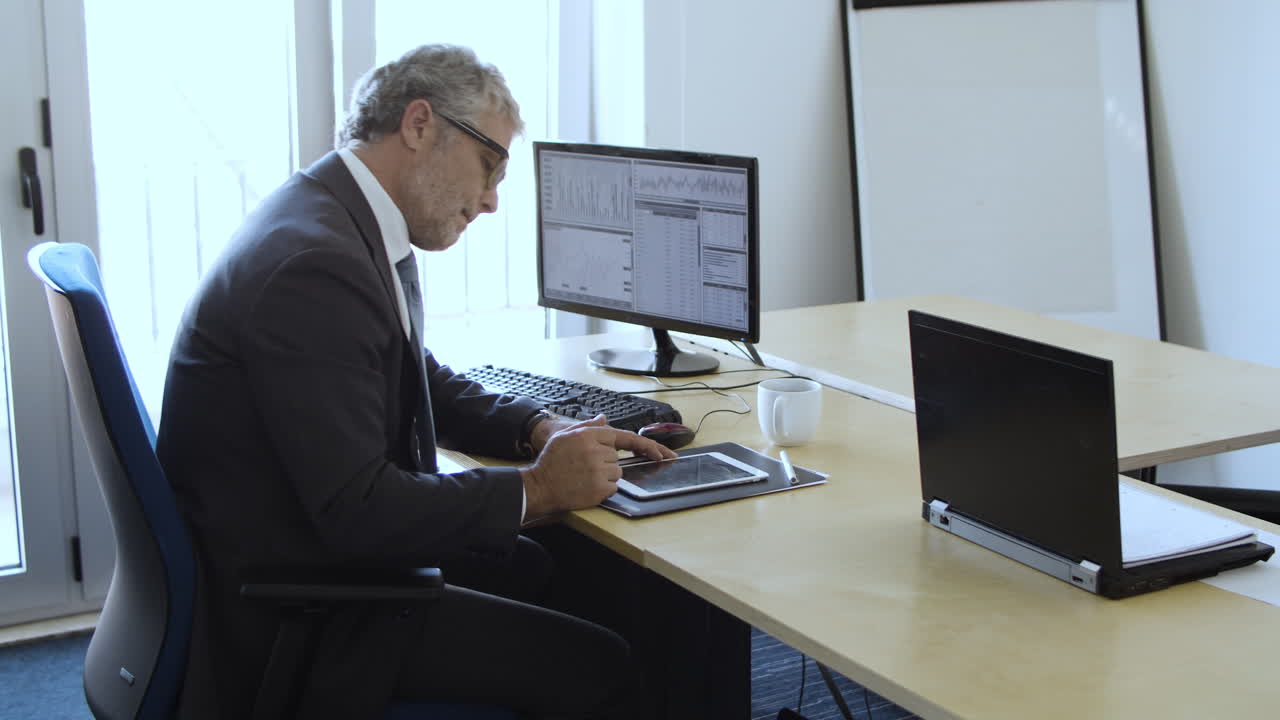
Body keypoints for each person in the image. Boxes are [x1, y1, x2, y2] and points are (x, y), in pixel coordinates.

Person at [156, 44, 675, 719]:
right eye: (490, 165)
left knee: (545, 566)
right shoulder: (315, 265)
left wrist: (536, 426)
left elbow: (413, 373)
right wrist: (538, 486)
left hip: (298, 560)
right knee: (601, 666)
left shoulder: (330, 213)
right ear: (420, 124)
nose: (491, 201)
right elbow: (359, 512)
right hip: (302, 616)